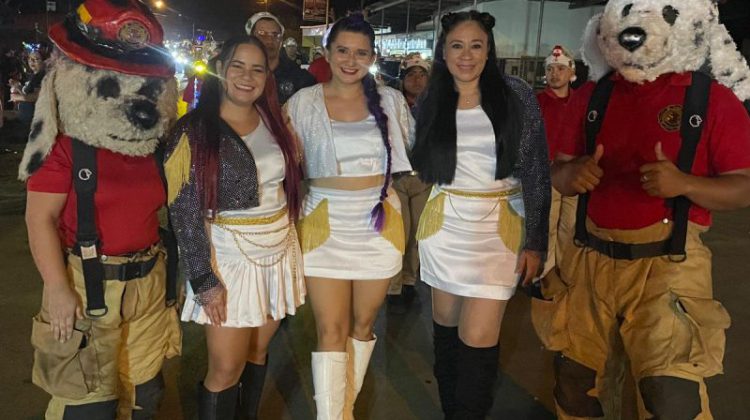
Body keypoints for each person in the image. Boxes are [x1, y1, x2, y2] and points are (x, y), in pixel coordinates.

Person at [545, 0, 750, 418]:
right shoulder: (592, 97)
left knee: (670, 395)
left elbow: (743, 187)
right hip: (590, 261)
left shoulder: (709, 100)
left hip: (669, 267)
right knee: (576, 383)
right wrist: (572, 174)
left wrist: (685, 184)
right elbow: (559, 171)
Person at [20, 0, 181, 417]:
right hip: (86, 283)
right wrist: (57, 288)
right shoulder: (66, 147)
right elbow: (40, 218)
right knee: (89, 403)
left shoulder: (152, 147)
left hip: (148, 283)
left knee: (145, 395)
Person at [410, 11, 550, 419]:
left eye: (476, 45)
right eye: (457, 45)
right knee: (446, 334)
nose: (466, 55)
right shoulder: (433, 98)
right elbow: (419, 158)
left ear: (489, 51)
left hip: (499, 229)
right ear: (443, 51)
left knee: (478, 337)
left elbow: (536, 170)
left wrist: (536, 242)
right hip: (446, 228)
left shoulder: (515, 94)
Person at [164, 35, 305, 419]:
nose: (247, 76)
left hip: (277, 251)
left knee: (258, 351)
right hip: (227, 259)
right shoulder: (193, 130)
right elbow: (183, 211)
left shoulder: (276, 122)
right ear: (220, 69)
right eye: (237, 66)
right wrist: (202, 278)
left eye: (257, 69)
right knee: (226, 368)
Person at [285, 13, 413, 420]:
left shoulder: (391, 101)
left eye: (361, 53)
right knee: (330, 330)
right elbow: (279, 159)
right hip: (324, 223)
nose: (350, 60)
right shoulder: (302, 102)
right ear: (327, 52)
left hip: (378, 223)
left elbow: (416, 147)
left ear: (372, 57)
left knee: (363, 324)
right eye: (342, 50)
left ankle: (344, 411)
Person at [534, 45, 582, 287]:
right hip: (547, 172)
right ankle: (544, 274)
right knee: (547, 225)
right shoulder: (537, 102)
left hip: (574, 172)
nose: (555, 74)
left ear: (571, 73)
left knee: (569, 226)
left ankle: (564, 272)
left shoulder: (582, 102)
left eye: (560, 69)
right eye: (550, 69)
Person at [388, 56, 431, 310]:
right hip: (398, 178)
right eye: (411, 75)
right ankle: (393, 287)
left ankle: (408, 281)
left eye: (422, 75)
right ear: (402, 79)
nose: (416, 80)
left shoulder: (434, 107)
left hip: (423, 178)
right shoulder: (390, 104)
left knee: (417, 233)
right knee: (399, 232)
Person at [245, 12, 315, 104]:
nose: (270, 40)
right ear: (251, 39)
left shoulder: (299, 77)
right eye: (262, 34)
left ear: (281, 40)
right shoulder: (240, 75)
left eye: (275, 35)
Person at [9, 49, 47, 125]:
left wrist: (16, 97)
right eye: (30, 58)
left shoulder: (40, 75)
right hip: (23, 113)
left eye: (36, 59)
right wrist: (17, 86)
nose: (31, 61)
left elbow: (36, 96)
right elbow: (26, 93)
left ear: (44, 61)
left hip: (30, 117)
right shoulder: (34, 75)